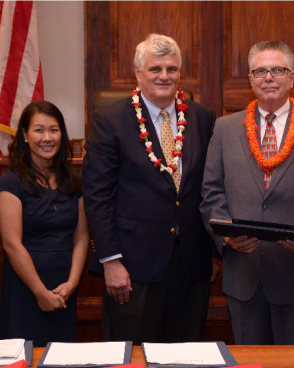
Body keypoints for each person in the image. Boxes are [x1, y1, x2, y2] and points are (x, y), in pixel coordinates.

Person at [200, 41, 294, 345]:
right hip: (244, 273)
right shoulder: (224, 128)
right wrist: (225, 235)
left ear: (292, 77)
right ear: (250, 79)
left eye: (277, 70)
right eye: (260, 71)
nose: (268, 77)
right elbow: (211, 191)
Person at [83, 33, 217, 344]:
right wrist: (111, 261)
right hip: (133, 266)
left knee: (185, 360)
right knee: (133, 359)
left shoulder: (202, 118)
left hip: (191, 265)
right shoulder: (111, 119)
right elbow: (97, 197)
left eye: (172, 69)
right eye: (155, 69)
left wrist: (211, 252)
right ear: (138, 73)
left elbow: (208, 190)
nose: (164, 76)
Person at [0, 101, 89, 347]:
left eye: (54, 130)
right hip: (26, 289)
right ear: (25, 135)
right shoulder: (10, 183)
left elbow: (81, 238)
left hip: (64, 290)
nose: (47, 138)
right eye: (38, 130)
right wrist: (40, 292)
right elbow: (11, 244)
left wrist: (71, 283)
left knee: (62, 366)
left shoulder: (73, 181)